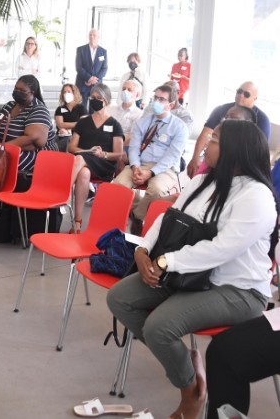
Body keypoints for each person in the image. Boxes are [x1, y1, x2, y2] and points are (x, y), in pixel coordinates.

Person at [107, 120, 277, 419]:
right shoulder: (203, 182)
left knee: (159, 328)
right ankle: (188, 370)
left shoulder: (257, 196)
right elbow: (168, 218)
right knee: (120, 298)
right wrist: (143, 250)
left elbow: (223, 249)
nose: (207, 141)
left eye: (215, 139)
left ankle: (190, 393)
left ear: (235, 151)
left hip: (237, 289)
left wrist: (166, 262)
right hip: (191, 276)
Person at [0, 74, 59, 243]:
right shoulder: (10, 106)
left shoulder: (38, 109)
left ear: (32, 92)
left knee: (6, 170)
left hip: (37, 158)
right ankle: (1, 214)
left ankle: (4, 216)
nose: (17, 92)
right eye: (15, 89)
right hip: (5, 151)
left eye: (21, 90)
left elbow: (35, 139)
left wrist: (3, 148)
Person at [113, 83, 188, 233]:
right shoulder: (143, 122)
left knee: (156, 191)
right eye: (155, 98)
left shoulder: (179, 127)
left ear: (171, 105)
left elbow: (172, 156)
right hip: (140, 163)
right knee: (118, 185)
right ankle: (140, 208)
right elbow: (134, 147)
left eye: (162, 99)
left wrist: (151, 172)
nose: (156, 102)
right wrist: (135, 167)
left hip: (164, 168)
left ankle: (137, 217)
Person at [67, 84, 124, 233]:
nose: (95, 101)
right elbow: (72, 147)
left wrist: (103, 154)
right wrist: (88, 151)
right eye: (93, 98)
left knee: (79, 159)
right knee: (83, 171)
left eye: (99, 98)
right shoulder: (83, 122)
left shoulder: (114, 124)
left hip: (104, 163)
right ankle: (77, 223)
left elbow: (119, 153)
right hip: (85, 162)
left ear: (107, 101)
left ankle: (64, 193)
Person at [187, 81, 271, 177]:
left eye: (246, 94)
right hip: (216, 157)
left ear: (254, 98)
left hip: (241, 165)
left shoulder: (263, 120)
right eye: (239, 91)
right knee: (197, 176)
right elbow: (206, 133)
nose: (241, 95)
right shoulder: (221, 109)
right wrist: (195, 158)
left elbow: (259, 152)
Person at [75, 28, 108, 109]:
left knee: (94, 110)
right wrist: (88, 78)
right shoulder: (81, 49)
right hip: (82, 83)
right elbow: (78, 67)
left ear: (98, 37)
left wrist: (94, 79)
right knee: (81, 108)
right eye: (90, 35)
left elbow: (104, 68)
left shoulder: (103, 51)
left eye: (94, 35)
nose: (92, 37)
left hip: (96, 85)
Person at [109, 79, 144, 154]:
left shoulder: (139, 114)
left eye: (129, 90)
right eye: (123, 89)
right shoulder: (111, 109)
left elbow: (131, 136)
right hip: (106, 143)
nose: (125, 92)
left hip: (125, 147)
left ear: (137, 95)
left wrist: (113, 144)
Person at [54, 83, 88, 153]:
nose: (66, 94)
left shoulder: (82, 108)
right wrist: (77, 123)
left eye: (69, 92)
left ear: (74, 93)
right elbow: (60, 125)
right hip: (62, 137)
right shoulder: (60, 109)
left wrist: (67, 126)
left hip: (78, 138)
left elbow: (83, 125)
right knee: (66, 140)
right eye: (64, 92)